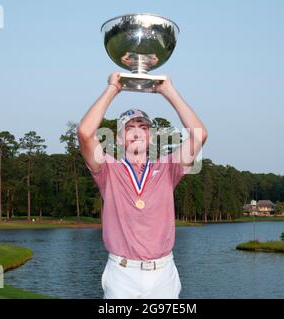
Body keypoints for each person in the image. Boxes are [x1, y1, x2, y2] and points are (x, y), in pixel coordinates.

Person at [77, 72, 207, 299]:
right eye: (129, 128)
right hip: (122, 274)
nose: (137, 131)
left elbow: (199, 135)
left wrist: (169, 91)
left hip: (163, 274)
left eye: (144, 127)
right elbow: (85, 133)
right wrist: (113, 88)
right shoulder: (108, 169)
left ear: (151, 136)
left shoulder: (168, 168)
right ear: (118, 138)